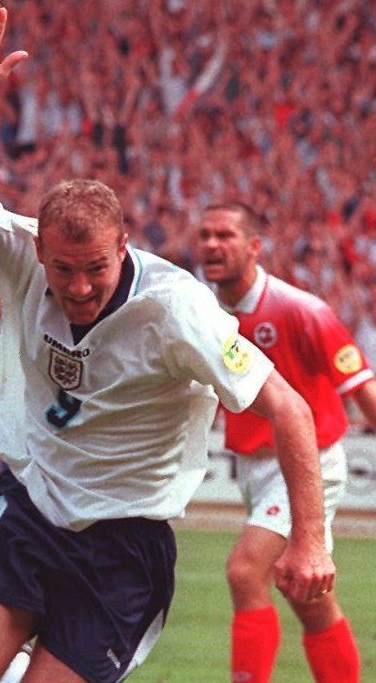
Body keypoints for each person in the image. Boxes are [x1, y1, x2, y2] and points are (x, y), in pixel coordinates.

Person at [0, 5, 336, 682]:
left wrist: (312, 540)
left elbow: (288, 406)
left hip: (124, 545)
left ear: (123, 246)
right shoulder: (20, 255)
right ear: (40, 252)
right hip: (29, 505)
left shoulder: (177, 311)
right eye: (63, 269)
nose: (79, 287)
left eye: (95, 269)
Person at [195, 201, 376, 683]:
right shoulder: (204, 314)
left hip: (309, 461)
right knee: (308, 597)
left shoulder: (302, 310)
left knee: (245, 571)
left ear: (254, 247)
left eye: (225, 236)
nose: (212, 244)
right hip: (255, 470)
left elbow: (362, 388)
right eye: (206, 235)